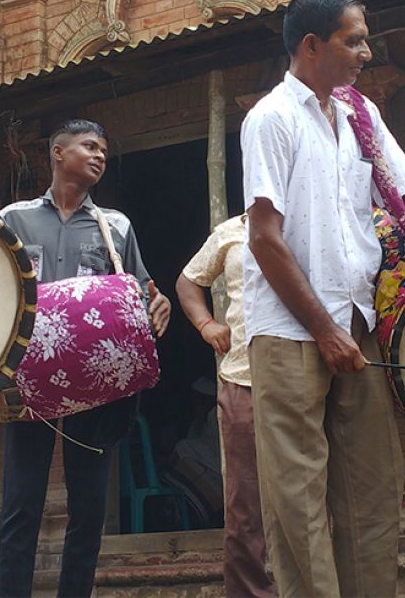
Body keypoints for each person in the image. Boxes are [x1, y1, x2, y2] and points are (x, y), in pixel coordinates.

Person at [241, 0, 405, 597]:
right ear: (311, 45)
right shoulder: (270, 119)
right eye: (353, 41)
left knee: (371, 491)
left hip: (355, 320)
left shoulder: (359, 112)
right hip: (291, 331)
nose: (365, 53)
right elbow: (264, 238)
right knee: (298, 505)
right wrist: (323, 332)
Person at [0, 119, 172, 598]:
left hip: (96, 385)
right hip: (29, 378)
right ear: (58, 152)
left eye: (104, 150)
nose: (99, 156)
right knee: (21, 507)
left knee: (89, 510)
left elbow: (139, 289)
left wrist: (160, 303)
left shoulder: (115, 226)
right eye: (89, 146)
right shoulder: (12, 219)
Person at [175, 213, 274, 598]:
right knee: (245, 504)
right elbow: (189, 280)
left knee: (305, 499)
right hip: (242, 379)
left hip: (304, 379)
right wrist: (205, 324)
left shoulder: (309, 217)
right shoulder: (231, 230)